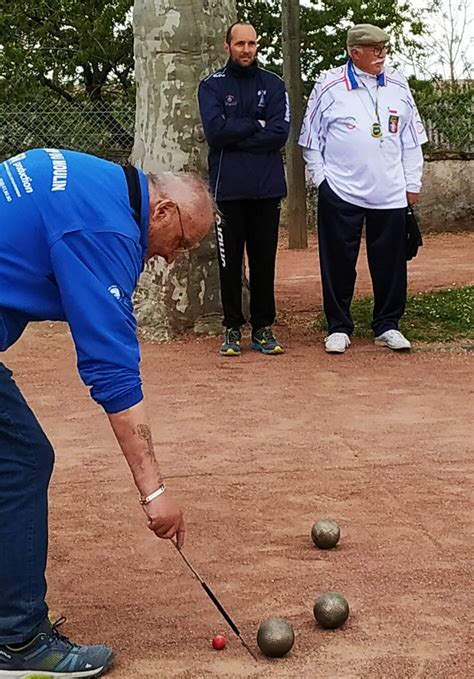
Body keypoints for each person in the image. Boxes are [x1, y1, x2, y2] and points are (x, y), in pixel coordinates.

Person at [0, 148, 215, 678]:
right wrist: (155, 491)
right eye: (182, 242)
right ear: (162, 212)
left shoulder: (97, 181)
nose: (172, 258)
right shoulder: (109, 231)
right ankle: (19, 642)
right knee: (23, 460)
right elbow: (112, 372)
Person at [299, 24, 427, 353]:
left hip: (390, 191)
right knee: (338, 260)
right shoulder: (328, 85)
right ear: (355, 53)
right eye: (375, 49)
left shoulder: (398, 84)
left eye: (385, 48)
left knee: (391, 262)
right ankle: (339, 326)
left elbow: (412, 141)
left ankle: (388, 324)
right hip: (341, 190)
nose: (382, 54)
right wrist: (322, 180)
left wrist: (412, 183)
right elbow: (311, 140)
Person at [198, 22, 290, 356]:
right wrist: (256, 124)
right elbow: (216, 133)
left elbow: (280, 132)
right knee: (230, 263)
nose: (246, 50)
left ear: (258, 45)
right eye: (240, 44)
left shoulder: (274, 83)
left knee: (264, 261)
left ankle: (263, 328)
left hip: (266, 189)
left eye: (252, 43)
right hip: (228, 191)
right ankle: (232, 329)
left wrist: (239, 133)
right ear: (228, 47)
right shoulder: (211, 86)